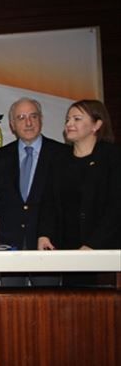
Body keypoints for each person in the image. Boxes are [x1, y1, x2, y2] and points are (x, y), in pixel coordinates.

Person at [38, 99, 120, 286]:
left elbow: (116, 207)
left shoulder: (113, 157)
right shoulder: (59, 160)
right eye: (67, 119)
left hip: (106, 251)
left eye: (77, 119)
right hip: (68, 250)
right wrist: (44, 234)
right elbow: (48, 202)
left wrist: (93, 245)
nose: (69, 124)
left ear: (96, 125)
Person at [0, 98, 68, 287]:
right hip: (9, 245)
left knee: (48, 301)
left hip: (48, 244)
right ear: (12, 125)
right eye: (21, 118)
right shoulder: (0, 157)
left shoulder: (61, 154)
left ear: (41, 119)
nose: (28, 123)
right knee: (11, 303)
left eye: (33, 116)